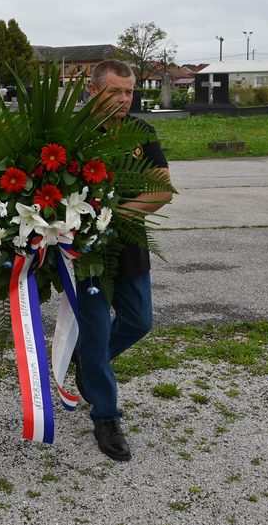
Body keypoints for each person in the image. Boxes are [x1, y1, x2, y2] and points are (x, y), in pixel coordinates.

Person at [75, 59, 173, 462]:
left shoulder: (142, 132)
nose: (123, 99)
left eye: (129, 91)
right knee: (96, 332)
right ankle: (106, 417)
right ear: (94, 89)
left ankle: (87, 365)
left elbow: (163, 190)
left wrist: (114, 218)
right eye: (115, 91)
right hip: (86, 253)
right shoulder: (74, 132)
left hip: (127, 243)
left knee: (139, 321)